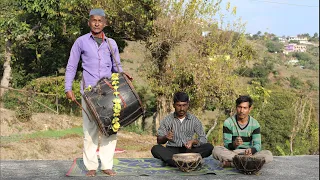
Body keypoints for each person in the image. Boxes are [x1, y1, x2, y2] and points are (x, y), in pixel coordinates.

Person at [65, 8, 123, 177]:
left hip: (108, 92)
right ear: (89, 22)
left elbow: (117, 67)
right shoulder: (80, 42)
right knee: (89, 130)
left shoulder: (112, 43)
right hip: (89, 93)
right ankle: (91, 166)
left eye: (100, 20)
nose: (97, 23)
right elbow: (71, 66)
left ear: (105, 23)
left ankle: (106, 164)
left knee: (110, 129)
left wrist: (123, 76)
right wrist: (68, 88)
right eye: (93, 20)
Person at [151, 92, 214, 167]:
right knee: (155, 149)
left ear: (188, 105)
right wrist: (165, 137)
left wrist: (193, 142)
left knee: (209, 147)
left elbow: (203, 139)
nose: (181, 109)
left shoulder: (194, 120)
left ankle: (177, 163)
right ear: (174, 105)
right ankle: (183, 163)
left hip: (189, 152)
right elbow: (159, 141)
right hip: (172, 152)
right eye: (179, 105)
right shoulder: (167, 120)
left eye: (184, 105)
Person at [212, 95, 273, 167]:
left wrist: (251, 150)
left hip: (249, 154)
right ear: (236, 107)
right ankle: (248, 163)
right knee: (216, 150)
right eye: (239, 107)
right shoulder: (228, 123)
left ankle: (232, 163)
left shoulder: (255, 124)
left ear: (250, 109)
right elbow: (226, 145)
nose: (241, 111)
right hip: (233, 153)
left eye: (245, 108)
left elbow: (258, 145)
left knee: (268, 154)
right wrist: (234, 144)